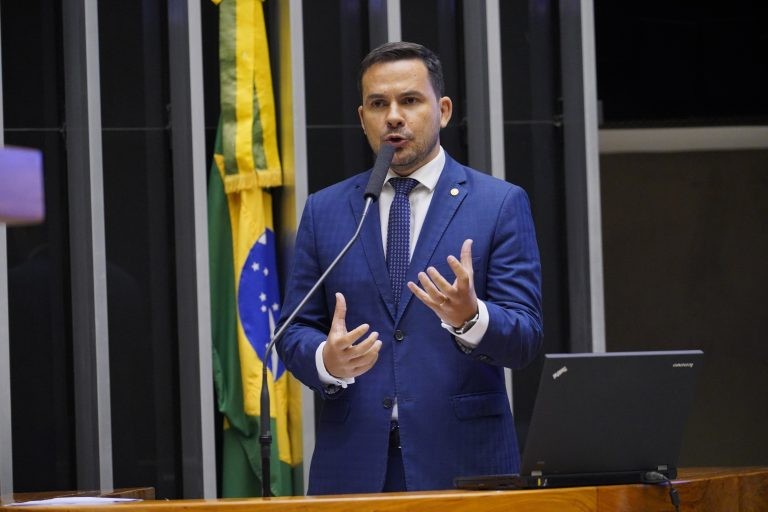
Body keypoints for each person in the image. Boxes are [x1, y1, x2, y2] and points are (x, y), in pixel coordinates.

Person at [277, 41, 543, 495]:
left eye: (410, 100)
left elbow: (525, 338)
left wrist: (472, 318)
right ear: (363, 118)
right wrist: (327, 359)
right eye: (378, 104)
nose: (394, 117)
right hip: (353, 468)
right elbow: (293, 329)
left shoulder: (498, 204)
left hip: (464, 463)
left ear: (443, 110)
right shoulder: (326, 210)